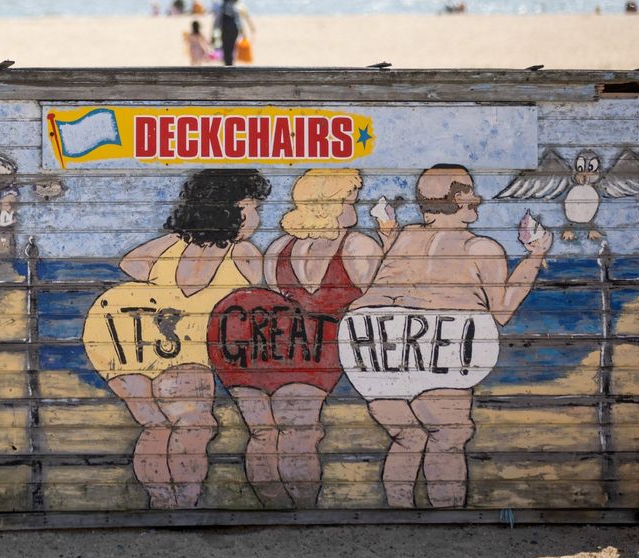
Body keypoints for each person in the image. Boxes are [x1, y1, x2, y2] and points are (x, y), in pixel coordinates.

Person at [339, 164, 550, 508]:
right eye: (470, 192)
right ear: (460, 199)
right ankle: (446, 515)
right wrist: (535, 255)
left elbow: (402, 278)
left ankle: (398, 515)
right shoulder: (482, 248)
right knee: (449, 436)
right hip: (435, 340)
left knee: (407, 437)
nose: (477, 201)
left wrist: (388, 233)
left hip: (371, 347)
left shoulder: (406, 235)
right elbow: (503, 311)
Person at [82, 169, 271, 509]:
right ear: (230, 209)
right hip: (179, 348)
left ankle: (162, 503)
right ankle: (183, 502)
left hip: (128, 343)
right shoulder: (245, 256)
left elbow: (132, 265)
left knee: (156, 427)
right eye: (252, 207)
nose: (257, 217)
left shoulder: (172, 244)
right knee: (195, 426)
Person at [208, 169, 394, 508]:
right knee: (300, 434)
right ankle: (304, 510)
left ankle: (274, 508)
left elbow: (272, 301)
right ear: (332, 203)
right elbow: (383, 299)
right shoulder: (358, 246)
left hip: (262, 348)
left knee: (262, 434)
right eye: (351, 199)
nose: (355, 206)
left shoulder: (279, 247)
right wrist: (391, 237)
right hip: (316, 353)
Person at [213, 0, 243, 66]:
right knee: (232, 46)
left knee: (226, 47)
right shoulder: (233, 6)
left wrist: (215, 29)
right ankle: (231, 62)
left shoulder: (222, 7)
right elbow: (238, 19)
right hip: (234, 30)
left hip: (225, 30)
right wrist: (241, 30)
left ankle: (227, 63)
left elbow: (217, 20)